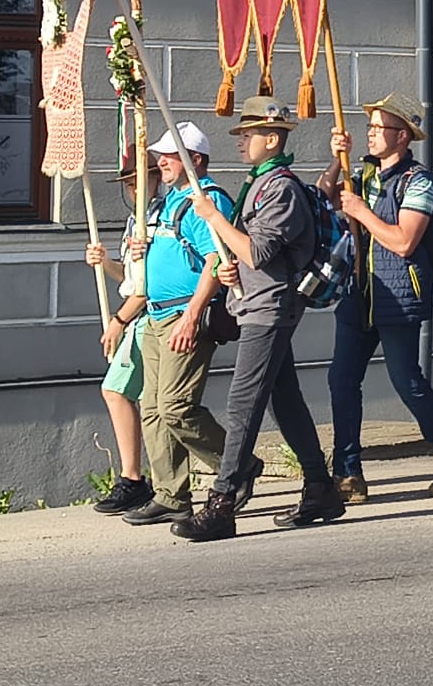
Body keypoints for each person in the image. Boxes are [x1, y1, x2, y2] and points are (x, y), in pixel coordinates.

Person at [173, 97, 341, 540]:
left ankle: (222, 502)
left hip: (270, 309)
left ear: (272, 139)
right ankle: (320, 487)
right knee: (285, 401)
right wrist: (230, 268)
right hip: (257, 303)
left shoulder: (280, 189)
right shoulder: (260, 183)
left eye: (248, 134)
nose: (241, 141)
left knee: (242, 403)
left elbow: (258, 252)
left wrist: (214, 218)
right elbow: (248, 255)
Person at [324, 94, 433, 501]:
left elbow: (405, 241)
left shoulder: (418, 182)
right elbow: (324, 197)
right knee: (341, 380)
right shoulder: (364, 175)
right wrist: (338, 159)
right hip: (360, 291)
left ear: (402, 136)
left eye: (379, 128)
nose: (371, 134)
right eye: (370, 127)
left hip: (398, 294)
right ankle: (348, 473)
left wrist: (361, 212)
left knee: (406, 382)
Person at [121, 125, 235, 525]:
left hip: (183, 314)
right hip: (156, 314)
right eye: (162, 155)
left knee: (176, 407)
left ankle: (235, 466)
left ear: (195, 159)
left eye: (170, 155)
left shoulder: (206, 200)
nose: (161, 162)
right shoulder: (168, 202)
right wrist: (142, 247)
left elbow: (215, 260)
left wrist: (191, 315)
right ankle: (171, 493)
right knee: (152, 409)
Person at [86, 163, 159, 517]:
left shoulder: (155, 222)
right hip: (134, 314)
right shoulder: (135, 222)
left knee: (118, 391)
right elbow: (130, 278)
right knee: (142, 399)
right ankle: (144, 479)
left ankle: (134, 478)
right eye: (129, 184)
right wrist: (105, 263)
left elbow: (147, 286)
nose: (133, 190)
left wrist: (118, 321)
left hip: (144, 316)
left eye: (139, 182)